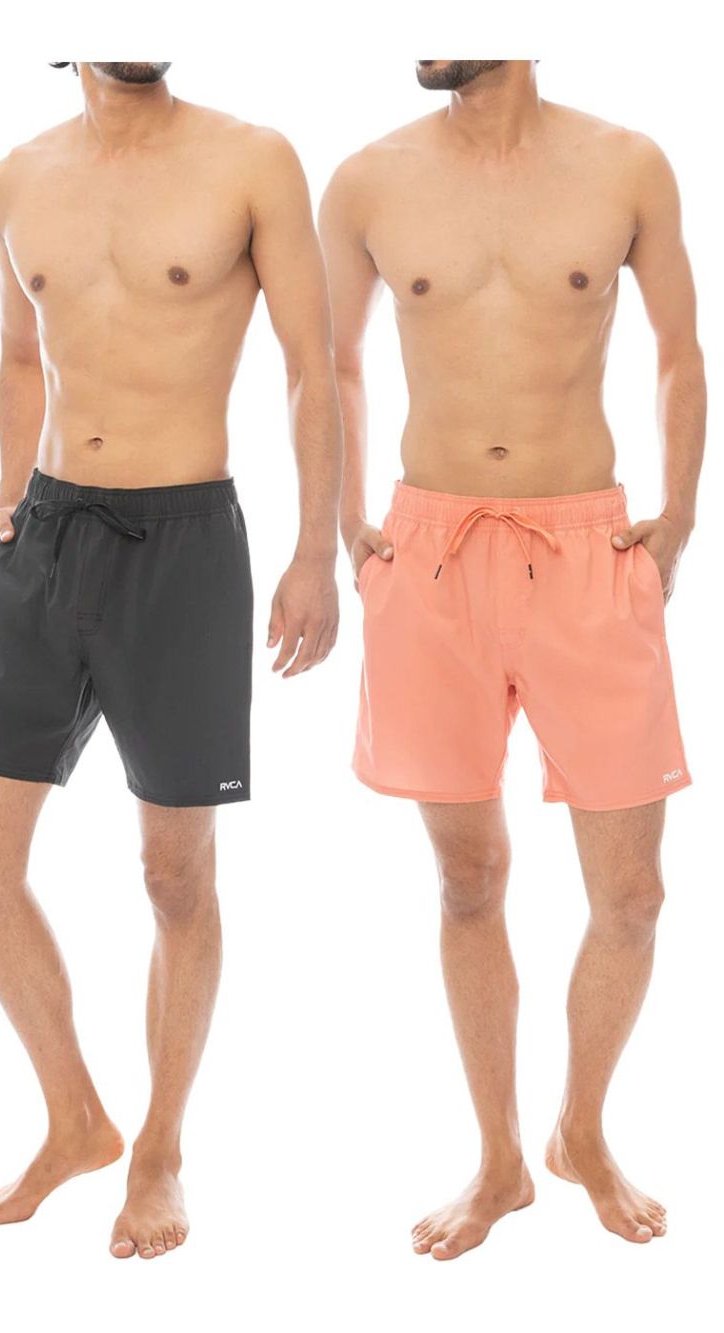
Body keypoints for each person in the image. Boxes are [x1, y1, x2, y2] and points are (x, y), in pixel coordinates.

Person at [0, 60, 341, 1260]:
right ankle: (76, 1120)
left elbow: (311, 361)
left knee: (175, 878)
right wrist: (6, 495)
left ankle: (159, 1147)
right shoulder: (14, 178)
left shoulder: (250, 157)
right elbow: (21, 356)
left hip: (182, 545)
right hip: (44, 535)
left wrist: (312, 549)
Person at [320, 58, 703, 1259]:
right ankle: (497, 1160)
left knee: (629, 893)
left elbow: (679, 349)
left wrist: (679, 515)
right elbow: (331, 361)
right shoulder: (368, 178)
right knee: (466, 879)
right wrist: (343, 521)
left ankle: (578, 1130)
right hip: (428, 553)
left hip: (588, 547)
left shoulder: (625, 163)